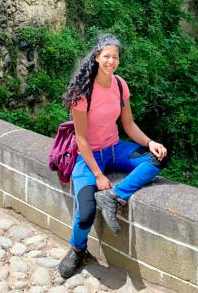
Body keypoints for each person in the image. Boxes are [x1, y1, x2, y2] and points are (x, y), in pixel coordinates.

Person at [57, 33, 168, 279]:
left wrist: (150, 142)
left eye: (114, 57)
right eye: (106, 56)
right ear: (96, 57)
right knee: (85, 212)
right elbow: (81, 139)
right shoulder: (82, 92)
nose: (110, 61)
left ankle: (115, 196)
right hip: (88, 157)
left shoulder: (119, 85)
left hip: (115, 148)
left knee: (159, 158)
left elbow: (128, 124)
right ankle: (77, 249)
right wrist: (97, 175)